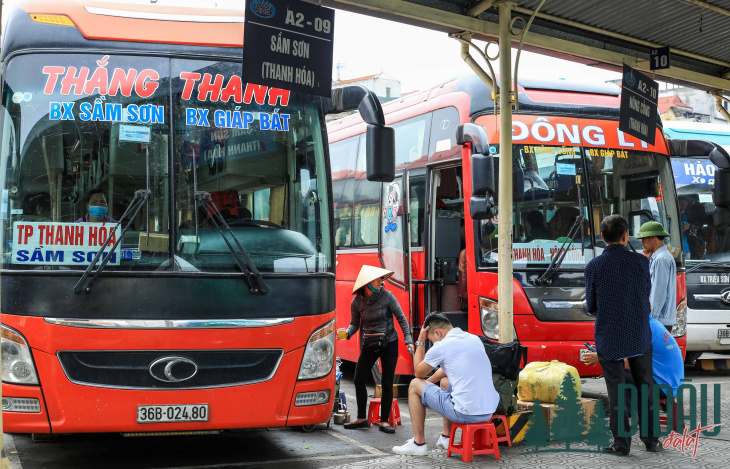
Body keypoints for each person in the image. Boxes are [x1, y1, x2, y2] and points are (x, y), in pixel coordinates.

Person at [584, 214, 662, 456]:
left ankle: (621, 446)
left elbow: (591, 306)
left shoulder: (593, 266)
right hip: (639, 333)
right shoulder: (640, 262)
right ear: (626, 235)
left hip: (609, 337)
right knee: (646, 387)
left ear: (602, 237)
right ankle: (651, 441)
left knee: (617, 391)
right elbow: (645, 294)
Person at [392, 313, 499, 456]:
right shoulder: (474, 339)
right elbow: (444, 371)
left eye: (432, 340)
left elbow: (418, 373)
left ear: (438, 333)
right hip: (488, 411)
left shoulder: (442, 346)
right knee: (445, 382)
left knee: (413, 384)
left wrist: (420, 342)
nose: (434, 343)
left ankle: (418, 443)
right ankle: (446, 437)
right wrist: (426, 386)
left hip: (465, 413)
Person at [343, 265, 414, 433]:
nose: (382, 282)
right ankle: (361, 417)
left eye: (383, 279)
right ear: (367, 283)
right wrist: (346, 333)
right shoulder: (357, 302)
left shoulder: (388, 297)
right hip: (369, 343)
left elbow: (402, 319)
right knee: (358, 379)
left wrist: (408, 339)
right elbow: (354, 324)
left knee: (387, 382)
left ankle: (384, 422)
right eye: (379, 279)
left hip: (390, 342)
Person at [583, 316, 684, 399]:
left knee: (618, 373)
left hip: (664, 387)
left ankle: (627, 417)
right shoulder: (653, 324)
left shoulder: (642, 330)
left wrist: (601, 359)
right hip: (672, 384)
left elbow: (630, 363)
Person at [636, 221, 677, 332]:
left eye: (644, 239)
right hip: (660, 320)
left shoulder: (661, 259)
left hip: (659, 320)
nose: (642, 243)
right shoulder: (658, 257)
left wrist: (651, 320)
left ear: (653, 238)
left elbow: (658, 293)